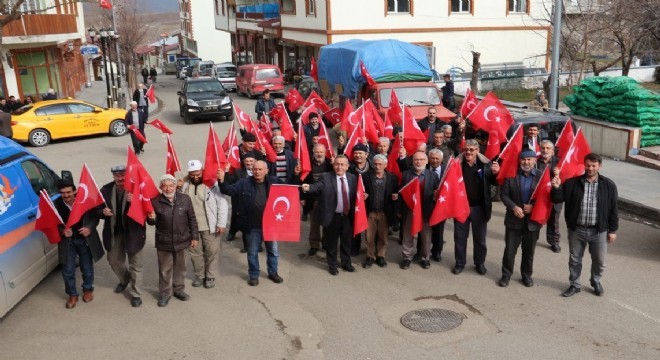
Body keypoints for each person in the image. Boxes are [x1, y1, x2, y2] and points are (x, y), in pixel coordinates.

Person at [551, 153, 619, 297]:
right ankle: (575, 284)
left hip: (599, 231)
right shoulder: (571, 183)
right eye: (587, 165)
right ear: (584, 165)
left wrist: (612, 230)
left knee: (600, 261)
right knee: (575, 259)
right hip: (577, 229)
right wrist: (556, 187)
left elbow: (613, 209)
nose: (590, 168)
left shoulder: (609, 185)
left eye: (593, 165)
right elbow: (557, 199)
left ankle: (595, 281)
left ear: (600, 166)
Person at [219, 161, 284, 286]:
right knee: (252, 252)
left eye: (260, 169)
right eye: (255, 169)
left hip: (270, 226)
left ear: (266, 171)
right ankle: (254, 275)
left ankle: (273, 273)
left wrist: (297, 176)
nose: (257, 172)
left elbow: (290, 190)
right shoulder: (244, 183)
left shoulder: (274, 181)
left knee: (273, 252)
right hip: (252, 226)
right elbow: (229, 190)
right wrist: (222, 180)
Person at [97, 165, 147, 307]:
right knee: (114, 260)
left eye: (123, 175)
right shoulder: (105, 190)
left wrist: (136, 200)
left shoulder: (137, 189)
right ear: (113, 176)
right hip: (114, 232)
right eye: (117, 175)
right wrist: (102, 212)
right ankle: (125, 280)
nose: (120, 178)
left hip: (134, 232)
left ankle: (136, 294)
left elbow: (148, 208)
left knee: (136, 264)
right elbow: (96, 210)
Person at [147, 175, 198, 307]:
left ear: (176, 186)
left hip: (182, 240)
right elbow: (151, 222)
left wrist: (194, 237)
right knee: (164, 269)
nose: (168, 188)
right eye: (165, 185)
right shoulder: (155, 201)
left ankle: (179, 290)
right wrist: (152, 218)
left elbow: (192, 219)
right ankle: (165, 294)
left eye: (171, 185)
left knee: (181, 268)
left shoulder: (185, 199)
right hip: (164, 242)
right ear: (160, 187)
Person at [302, 155, 358, 276]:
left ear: (347, 167)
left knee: (346, 242)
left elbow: (356, 195)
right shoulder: (326, 177)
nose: (339, 167)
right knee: (331, 243)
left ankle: (346, 263)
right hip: (333, 216)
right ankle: (332, 265)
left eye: (342, 164)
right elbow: (317, 186)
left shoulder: (353, 178)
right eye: (337, 164)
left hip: (348, 216)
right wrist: (309, 188)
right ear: (333, 165)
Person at [179, 160, 228, 289]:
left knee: (211, 251)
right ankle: (199, 275)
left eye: (198, 174)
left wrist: (221, 223)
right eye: (192, 175)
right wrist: (179, 185)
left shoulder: (212, 184)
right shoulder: (184, 186)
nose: (196, 177)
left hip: (210, 226)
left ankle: (210, 275)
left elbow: (222, 204)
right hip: (191, 227)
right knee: (195, 252)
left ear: (202, 171)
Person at [55, 181, 104, 309]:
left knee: (87, 268)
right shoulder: (55, 205)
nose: (65, 195)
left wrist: (89, 227)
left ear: (74, 191)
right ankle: (72, 294)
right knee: (68, 270)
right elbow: (54, 224)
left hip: (84, 240)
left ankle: (87, 289)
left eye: (68, 192)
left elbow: (95, 218)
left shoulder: (85, 201)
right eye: (62, 193)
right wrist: (62, 231)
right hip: (67, 242)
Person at [453, 139, 499, 275]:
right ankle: (460, 263)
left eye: (472, 150)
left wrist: (496, 174)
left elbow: (495, 183)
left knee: (480, 239)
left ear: (478, 151)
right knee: (460, 238)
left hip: (479, 208)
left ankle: (479, 263)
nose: (468, 152)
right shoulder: (457, 165)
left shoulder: (486, 165)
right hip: (461, 208)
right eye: (466, 149)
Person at [498, 150, 543, 288]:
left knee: (529, 251)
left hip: (533, 221)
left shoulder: (541, 176)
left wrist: (533, 207)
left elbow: (545, 197)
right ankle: (506, 275)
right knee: (510, 250)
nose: (526, 162)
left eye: (529, 159)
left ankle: (526, 275)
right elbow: (504, 195)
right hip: (514, 219)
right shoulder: (511, 174)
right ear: (519, 161)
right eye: (523, 160)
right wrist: (514, 207)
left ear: (535, 160)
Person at [399, 151, 440, 270]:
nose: (419, 162)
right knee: (408, 235)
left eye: (422, 160)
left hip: (426, 210)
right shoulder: (406, 174)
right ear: (413, 161)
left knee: (426, 237)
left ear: (427, 161)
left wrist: (436, 194)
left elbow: (437, 190)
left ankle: (425, 258)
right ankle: (407, 258)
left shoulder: (433, 175)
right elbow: (402, 192)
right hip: (410, 210)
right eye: (416, 159)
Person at [362, 154, 398, 269]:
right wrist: (363, 195)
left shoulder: (392, 178)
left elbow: (396, 192)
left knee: (383, 236)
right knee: (369, 236)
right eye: (376, 164)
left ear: (385, 165)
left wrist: (396, 197)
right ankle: (370, 256)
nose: (377, 166)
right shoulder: (365, 177)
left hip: (384, 212)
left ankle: (380, 256)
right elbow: (361, 191)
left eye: (380, 164)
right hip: (370, 212)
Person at [303, 144, 333, 256]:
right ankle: (314, 245)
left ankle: (325, 243)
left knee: (327, 223)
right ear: (313, 153)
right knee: (314, 224)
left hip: (327, 199)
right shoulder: (308, 165)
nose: (319, 154)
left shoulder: (331, 165)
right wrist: (302, 198)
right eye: (317, 152)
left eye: (321, 152)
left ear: (325, 153)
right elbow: (302, 181)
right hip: (313, 199)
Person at [225, 153, 257, 248]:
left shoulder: (259, 171)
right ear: (243, 162)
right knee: (236, 217)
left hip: (255, 201)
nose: (249, 163)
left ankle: (255, 243)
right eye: (247, 161)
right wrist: (226, 172)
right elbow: (230, 182)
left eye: (251, 161)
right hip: (239, 200)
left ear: (255, 161)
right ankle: (232, 232)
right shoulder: (238, 172)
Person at [537, 140, 563, 253]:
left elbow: (568, 177)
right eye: (543, 148)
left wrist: (559, 174)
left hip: (555, 194)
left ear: (553, 151)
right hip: (539, 195)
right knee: (536, 216)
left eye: (548, 148)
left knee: (554, 219)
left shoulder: (560, 163)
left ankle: (554, 241)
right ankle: (532, 238)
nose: (545, 150)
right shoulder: (535, 161)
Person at [348, 144, 373, 256]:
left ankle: (370, 252)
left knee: (370, 229)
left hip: (370, 203)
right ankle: (354, 248)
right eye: (356, 153)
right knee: (354, 225)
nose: (358, 155)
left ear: (366, 154)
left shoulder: (373, 167)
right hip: (354, 203)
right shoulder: (349, 168)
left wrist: (369, 195)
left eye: (360, 153)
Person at [427, 149, 446, 261]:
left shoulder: (447, 171)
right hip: (426, 204)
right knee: (424, 230)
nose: (434, 161)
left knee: (439, 231)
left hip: (440, 206)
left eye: (437, 159)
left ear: (441, 159)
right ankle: (422, 251)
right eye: (432, 158)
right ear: (429, 159)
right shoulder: (424, 169)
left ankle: (437, 252)